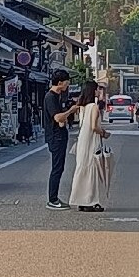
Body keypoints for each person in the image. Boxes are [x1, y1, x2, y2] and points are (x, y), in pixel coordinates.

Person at [69, 80, 113, 212]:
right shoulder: (93, 107)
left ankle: (80, 200)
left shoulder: (82, 107)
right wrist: (104, 133)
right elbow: (94, 127)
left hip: (83, 140)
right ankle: (91, 200)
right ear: (93, 91)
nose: (99, 91)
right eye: (97, 89)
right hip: (91, 141)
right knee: (92, 169)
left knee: (82, 168)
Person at [43, 69, 79, 209]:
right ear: (60, 82)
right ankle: (52, 199)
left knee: (59, 167)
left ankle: (54, 198)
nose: (67, 85)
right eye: (66, 82)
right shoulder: (50, 97)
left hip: (60, 134)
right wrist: (71, 110)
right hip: (55, 136)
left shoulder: (58, 96)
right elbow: (57, 117)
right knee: (57, 168)